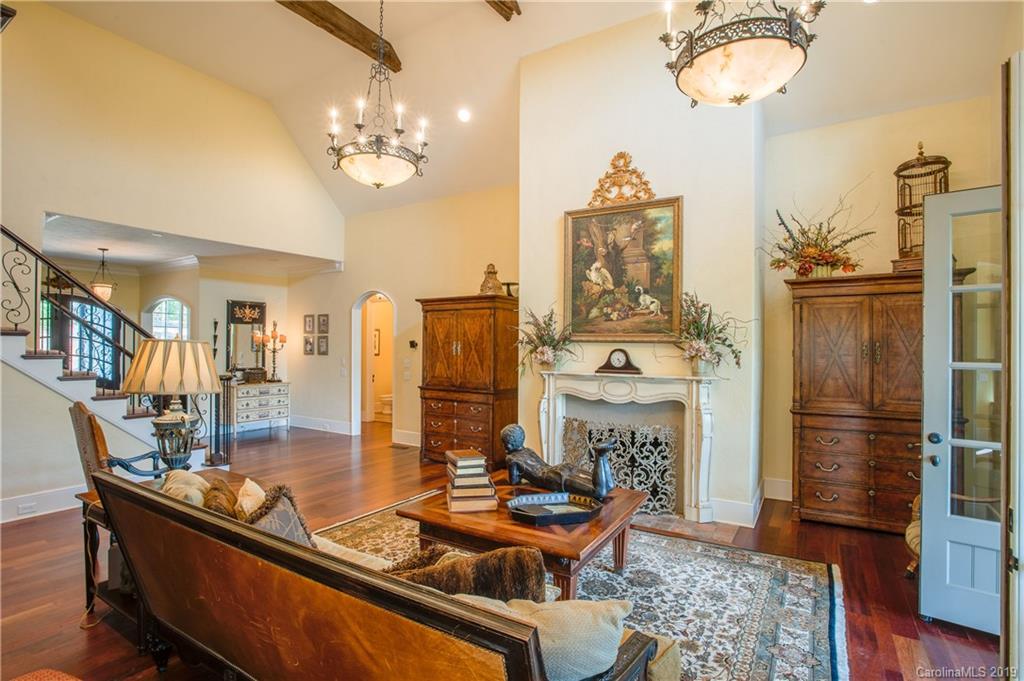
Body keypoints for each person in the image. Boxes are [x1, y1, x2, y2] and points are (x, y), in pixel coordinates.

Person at [500, 424, 596, 497]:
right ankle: (601, 460)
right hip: (557, 468)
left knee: (595, 491)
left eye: (504, 443)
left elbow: (514, 482)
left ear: (509, 444)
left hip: (549, 477)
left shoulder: (511, 459)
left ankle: (600, 455)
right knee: (592, 481)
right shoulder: (529, 450)